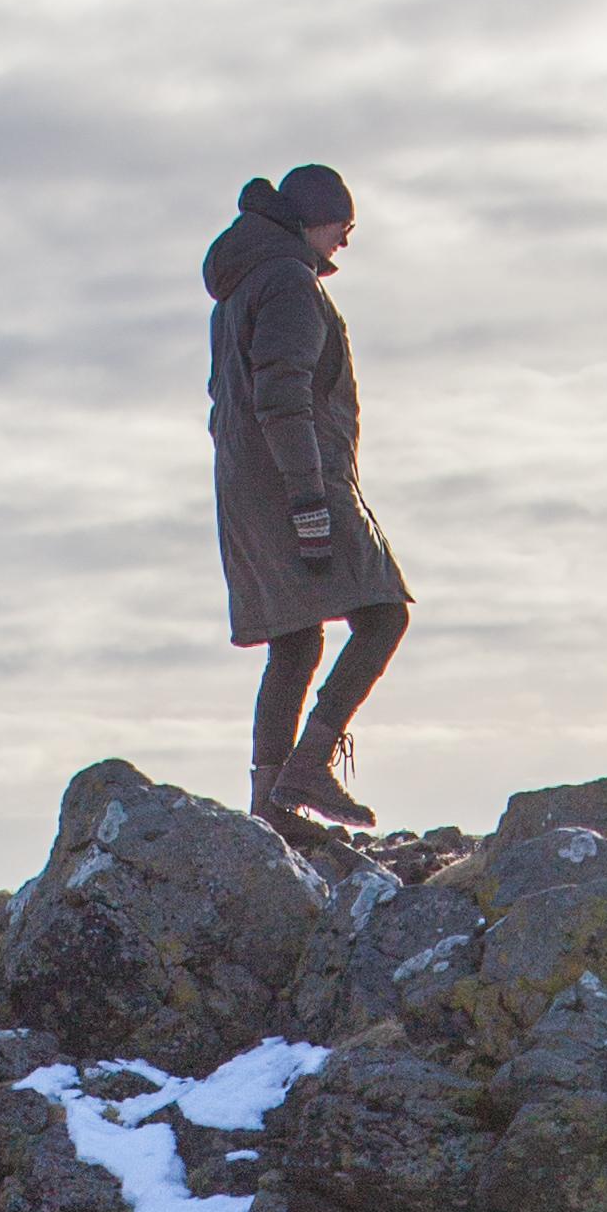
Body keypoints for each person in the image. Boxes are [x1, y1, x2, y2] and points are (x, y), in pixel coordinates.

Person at [203, 164, 409, 834]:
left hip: (243, 484)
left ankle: (269, 805)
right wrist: (310, 500)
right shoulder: (288, 281)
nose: (343, 244)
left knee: (293, 640)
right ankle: (307, 767)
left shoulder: (238, 287)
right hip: (297, 477)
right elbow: (283, 396)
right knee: (382, 614)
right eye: (342, 228)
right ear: (315, 218)